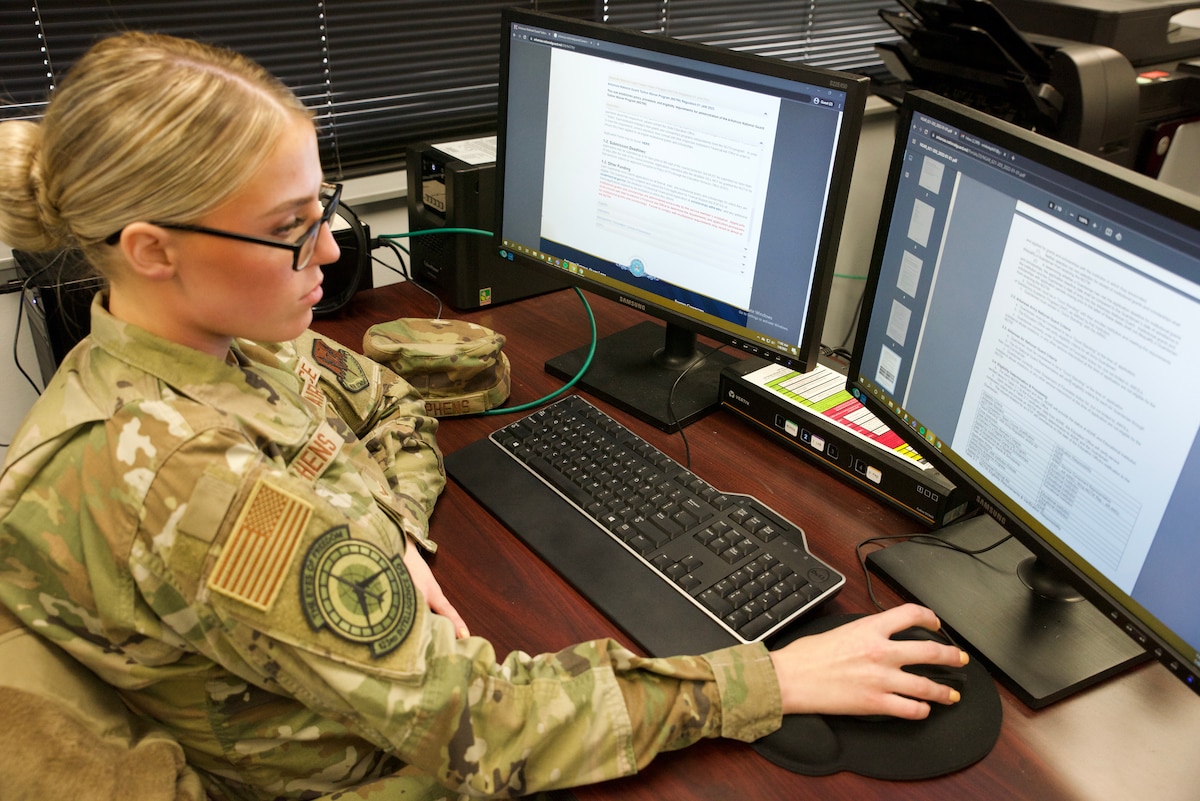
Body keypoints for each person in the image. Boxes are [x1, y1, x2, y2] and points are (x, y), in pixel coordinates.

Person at [0, 32, 968, 801]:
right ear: (152, 249)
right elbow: (480, 729)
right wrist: (767, 684)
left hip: (381, 704)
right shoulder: (190, 482)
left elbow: (391, 405)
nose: (333, 249)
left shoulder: (228, 339)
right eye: (288, 227)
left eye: (322, 205)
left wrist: (384, 529)